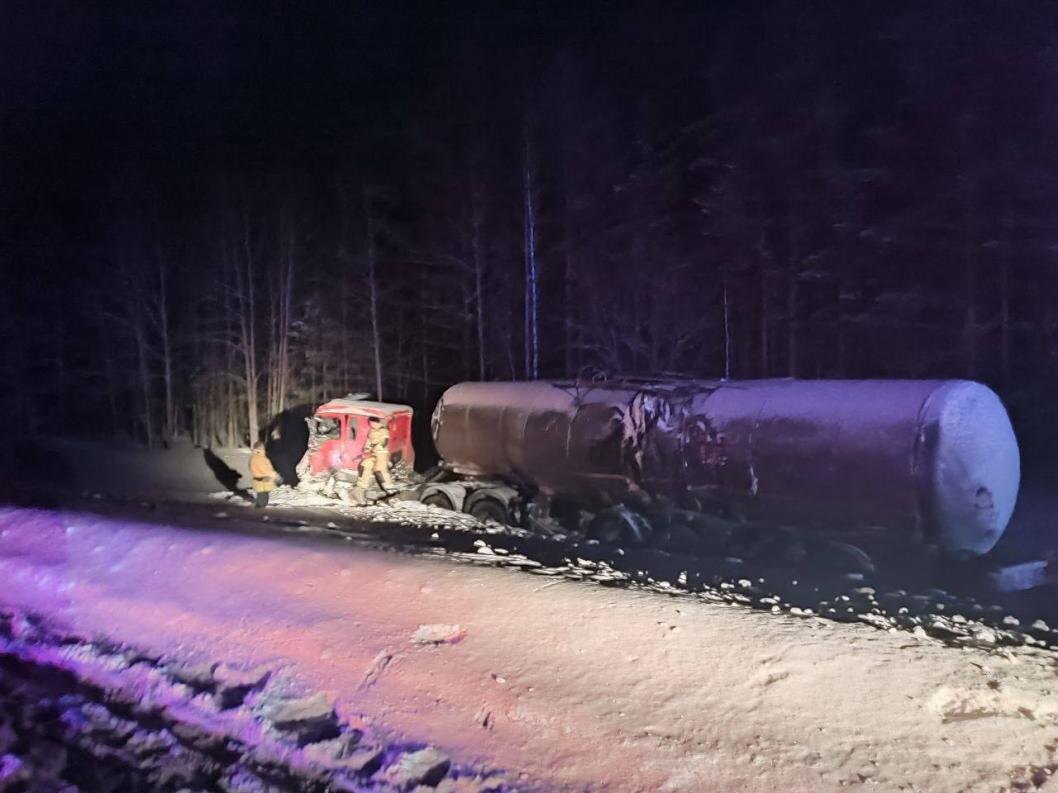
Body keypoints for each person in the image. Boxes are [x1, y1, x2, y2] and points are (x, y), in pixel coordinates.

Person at [356, 416, 396, 491]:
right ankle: (362, 485)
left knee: (380, 469)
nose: (371, 425)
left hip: (381, 453)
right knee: (365, 465)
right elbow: (369, 441)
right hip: (372, 453)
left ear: (377, 422)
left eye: (372, 423)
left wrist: (374, 447)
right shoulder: (371, 431)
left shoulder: (383, 430)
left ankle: (389, 487)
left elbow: (384, 443)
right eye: (370, 423)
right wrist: (367, 449)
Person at [249, 442, 279, 508]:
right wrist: (273, 474)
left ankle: (260, 511)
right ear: (259, 448)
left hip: (261, 480)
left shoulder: (256, 456)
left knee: (263, 496)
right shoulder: (259, 457)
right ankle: (259, 513)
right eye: (262, 447)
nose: (264, 448)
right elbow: (264, 469)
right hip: (262, 480)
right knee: (262, 499)